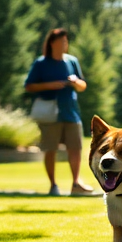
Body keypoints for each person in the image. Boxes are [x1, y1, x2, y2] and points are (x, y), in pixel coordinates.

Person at [24, 28, 95, 196]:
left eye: (66, 41)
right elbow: (29, 86)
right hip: (50, 113)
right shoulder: (41, 63)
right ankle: (53, 185)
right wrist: (50, 85)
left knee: (75, 148)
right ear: (51, 43)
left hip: (70, 111)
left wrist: (76, 82)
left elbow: (83, 86)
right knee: (50, 149)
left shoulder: (72, 61)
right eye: (61, 41)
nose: (64, 44)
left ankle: (76, 183)